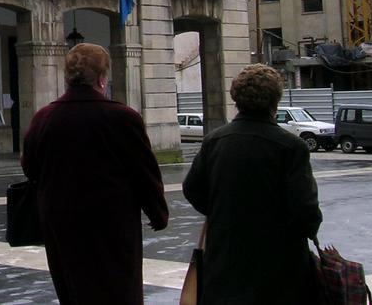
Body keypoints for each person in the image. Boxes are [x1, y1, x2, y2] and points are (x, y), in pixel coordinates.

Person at [21, 43, 169, 304]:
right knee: (117, 289)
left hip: (61, 222)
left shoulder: (44, 118)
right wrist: (157, 213)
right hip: (111, 223)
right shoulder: (122, 117)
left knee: (73, 289)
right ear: (102, 78)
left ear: (67, 77)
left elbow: (30, 167)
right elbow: (144, 171)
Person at [182, 64, 323, 304]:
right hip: (279, 263)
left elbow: (192, 189)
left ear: (236, 99)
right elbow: (305, 210)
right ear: (275, 101)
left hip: (225, 258)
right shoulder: (290, 146)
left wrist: (221, 211)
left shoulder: (215, 141)